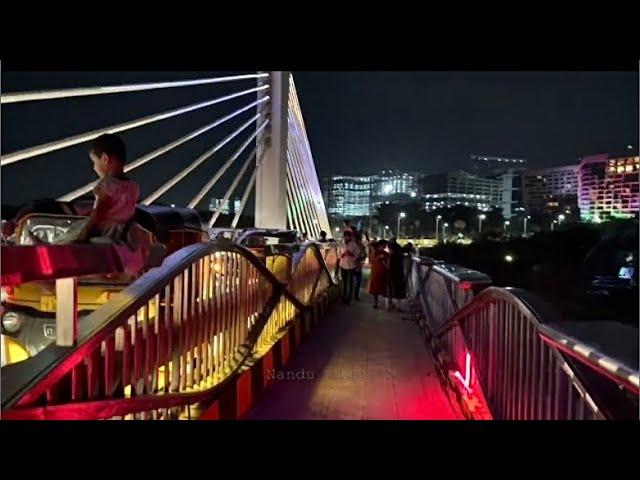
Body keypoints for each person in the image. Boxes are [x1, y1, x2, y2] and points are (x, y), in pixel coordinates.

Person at [338, 229, 360, 305]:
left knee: (350, 283)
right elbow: (338, 254)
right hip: (343, 265)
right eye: (346, 236)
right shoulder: (341, 244)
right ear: (344, 237)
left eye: (348, 236)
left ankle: (349, 299)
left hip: (351, 265)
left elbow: (357, 254)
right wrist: (343, 254)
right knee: (344, 282)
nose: (347, 238)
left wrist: (351, 254)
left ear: (350, 237)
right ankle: (343, 298)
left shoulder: (354, 244)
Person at [386, 239, 407, 311]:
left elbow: (388, 266)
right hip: (399, 274)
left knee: (390, 290)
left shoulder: (391, 256)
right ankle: (399, 306)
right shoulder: (401, 256)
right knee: (399, 290)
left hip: (391, 274)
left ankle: (389, 305)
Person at [368, 240, 389, 309]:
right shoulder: (375, 252)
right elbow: (371, 260)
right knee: (375, 287)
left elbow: (388, 262)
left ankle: (387, 303)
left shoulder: (386, 253)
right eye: (384, 245)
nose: (385, 246)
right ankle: (376, 303)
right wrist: (378, 258)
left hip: (383, 271)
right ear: (380, 245)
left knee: (384, 287)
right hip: (376, 271)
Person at [352, 231, 368, 301]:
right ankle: (353, 295)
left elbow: (365, 255)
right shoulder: (350, 245)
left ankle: (355, 295)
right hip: (350, 266)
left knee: (358, 282)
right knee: (352, 282)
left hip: (357, 266)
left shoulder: (361, 246)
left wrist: (360, 258)